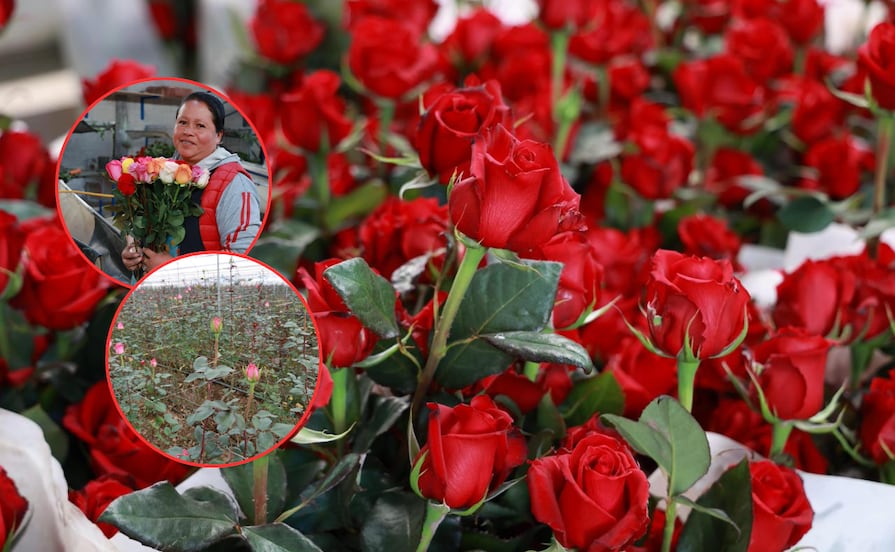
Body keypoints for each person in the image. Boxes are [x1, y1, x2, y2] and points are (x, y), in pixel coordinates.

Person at [121, 91, 262, 273]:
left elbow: (243, 262)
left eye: (200, 126)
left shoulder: (235, 184)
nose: (188, 132)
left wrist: (174, 269)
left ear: (219, 135)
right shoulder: (162, 173)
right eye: (182, 122)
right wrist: (135, 254)